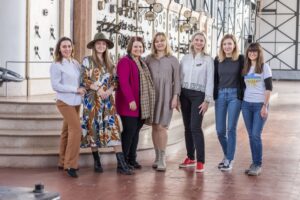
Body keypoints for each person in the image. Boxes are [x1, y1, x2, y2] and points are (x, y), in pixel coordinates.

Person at [80, 32, 133, 175]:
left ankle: (121, 164)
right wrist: (98, 89)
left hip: (108, 102)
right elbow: (84, 79)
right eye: (98, 43)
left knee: (114, 129)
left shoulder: (111, 63)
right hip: (92, 101)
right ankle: (97, 161)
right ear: (94, 45)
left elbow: (116, 81)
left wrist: (109, 91)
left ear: (106, 46)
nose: (101, 46)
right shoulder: (87, 61)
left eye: (103, 44)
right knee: (93, 129)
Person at [115, 36, 155, 169]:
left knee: (136, 131)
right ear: (130, 48)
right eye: (135, 46)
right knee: (129, 131)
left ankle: (132, 159)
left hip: (141, 104)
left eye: (140, 46)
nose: (138, 49)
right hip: (129, 104)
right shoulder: (125, 61)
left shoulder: (142, 62)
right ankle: (123, 162)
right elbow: (124, 82)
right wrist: (131, 100)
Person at [50, 37, 86, 178]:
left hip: (76, 102)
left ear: (72, 48)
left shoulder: (75, 63)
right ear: (59, 48)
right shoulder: (56, 65)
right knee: (76, 130)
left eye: (69, 46)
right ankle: (71, 165)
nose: (67, 49)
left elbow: (81, 80)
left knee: (66, 131)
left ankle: (62, 161)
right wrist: (75, 89)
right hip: (64, 101)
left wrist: (82, 88)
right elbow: (56, 85)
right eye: (64, 46)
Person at [178, 32, 214, 173]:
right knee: (187, 127)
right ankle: (190, 157)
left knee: (195, 127)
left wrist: (207, 100)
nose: (199, 42)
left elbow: (210, 80)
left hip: (199, 96)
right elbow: (180, 78)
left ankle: (200, 161)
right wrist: (178, 96)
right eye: (196, 40)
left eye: (201, 41)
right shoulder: (185, 58)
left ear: (204, 43)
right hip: (184, 95)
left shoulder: (208, 60)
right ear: (192, 41)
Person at [145, 32, 180, 171]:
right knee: (154, 126)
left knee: (162, 126)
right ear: (153, 43)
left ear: (166, 43)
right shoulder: (149, 59)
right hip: (153, 96)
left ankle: (163, 158)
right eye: (157, 41)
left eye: (162, 41)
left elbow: (177, 80)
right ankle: (157, 156)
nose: (159, 43)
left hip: (167, 96)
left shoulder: (173, 59)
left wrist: (175, 97)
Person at [214, 34, 245, 171]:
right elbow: (214, 79)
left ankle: (229, 159)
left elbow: (245, 77)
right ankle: (227, 155)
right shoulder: (217, 60)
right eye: (225, 44)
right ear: (222, 46)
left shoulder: (240, 59)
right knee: (220, 130)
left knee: (231, 129)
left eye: (229, 44)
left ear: (234, 45)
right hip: (220, 95)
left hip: (234, 96)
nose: (227, 46)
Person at [242, 43, 272, 176]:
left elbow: (269, 88)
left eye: (255, 51)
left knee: (255, 135)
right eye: (250, 51)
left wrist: (265, 106)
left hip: (260, 105)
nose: (252, 54)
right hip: (247, 105)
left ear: (259, 53)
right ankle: (254, 163)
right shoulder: (246, 67)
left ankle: (258, 164)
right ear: (247, 53)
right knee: (251, 135)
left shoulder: (265, 67)